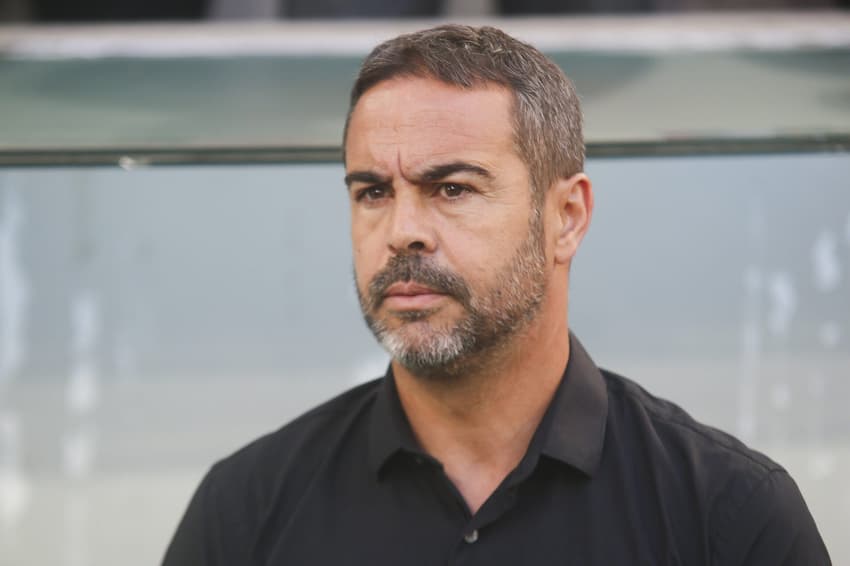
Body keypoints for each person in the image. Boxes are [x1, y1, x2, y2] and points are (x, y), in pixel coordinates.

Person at [162, 24, 830, 565]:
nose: (402, 233)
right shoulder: (245, 514)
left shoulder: (728, 519)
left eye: (451, 188)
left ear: (566, 217)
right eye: (373, 191)